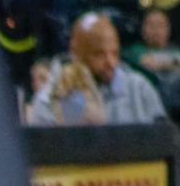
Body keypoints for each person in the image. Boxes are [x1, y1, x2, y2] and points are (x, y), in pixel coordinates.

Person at [28, 12, 166, 126]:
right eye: (99, 54)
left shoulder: (139, 88)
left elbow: (165, 144)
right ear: (76, 53)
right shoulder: (48, 100)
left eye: (114, 53)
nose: (111, 63)